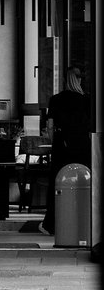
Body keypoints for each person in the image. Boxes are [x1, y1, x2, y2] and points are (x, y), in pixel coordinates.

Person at [39, 66, 91, 235]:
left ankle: (52, 223)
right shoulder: (86, 100)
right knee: (83, 181)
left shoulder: (56, 99)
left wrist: (54, 141)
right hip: (82, 145)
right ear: (79, 80)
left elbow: (50, 126)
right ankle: (83, 221)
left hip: (62, 145)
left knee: (58, 181)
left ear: (64, 80)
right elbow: (91, 126)